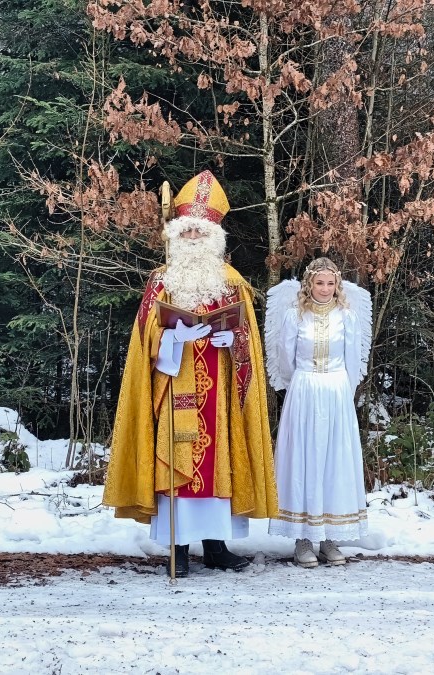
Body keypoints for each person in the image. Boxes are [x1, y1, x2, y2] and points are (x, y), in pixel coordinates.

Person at [103, 170, 277, 578]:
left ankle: (216, 547)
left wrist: (230, 344)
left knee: (218, 465)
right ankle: (178, 550)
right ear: (177, 236)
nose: (194, 240)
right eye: (187, 233)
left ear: (214, 237)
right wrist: (172, 339)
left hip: (220, 393)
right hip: (172, 384)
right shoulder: (161, 281)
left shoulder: (231, 282)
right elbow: (144, 339)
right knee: (174, 465)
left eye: (201, 233)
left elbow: (247, 340)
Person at [265, 257, 372, 568]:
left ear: (337, 285)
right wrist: (298, 384)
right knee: (305, 458)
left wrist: (344, 392)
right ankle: (302, 540)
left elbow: (353, 359)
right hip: (305, 390)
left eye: (330, 283)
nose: (324, 289)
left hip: (337, 390)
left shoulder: (347, 316)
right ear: (308, 284)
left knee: (334, 461)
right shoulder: (293, 315)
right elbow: (285, 359)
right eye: (318, 282)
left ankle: (329, 538)